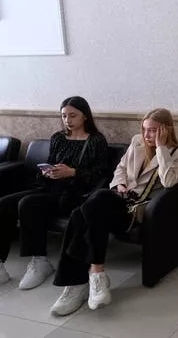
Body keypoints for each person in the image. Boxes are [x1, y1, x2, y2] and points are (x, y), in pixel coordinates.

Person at [50, 108, 178, 316]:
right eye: (145, 129)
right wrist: (119, 186)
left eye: (153, 131)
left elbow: (169, 182)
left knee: (84, 211)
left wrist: (161, 148)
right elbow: (120, 169)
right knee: (88, 209)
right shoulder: (136, 142)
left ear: (166, 130)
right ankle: (91, 277)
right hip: (117, 200)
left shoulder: (177, 153)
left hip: (135, 211)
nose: (147, 135)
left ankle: (82, 280)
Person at [0, 96, 109, 289]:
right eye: (64, 116)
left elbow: (101, 173)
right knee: (4, 203)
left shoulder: (96, 141)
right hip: (50, 188)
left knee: (28, 203)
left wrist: (73, 172)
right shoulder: (58, 138)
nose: (68, 120)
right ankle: (0, 264)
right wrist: (47, 172)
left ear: (85, 116)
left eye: (73, 115)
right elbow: (50, 162)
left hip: (75, 194)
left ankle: (39, 261)